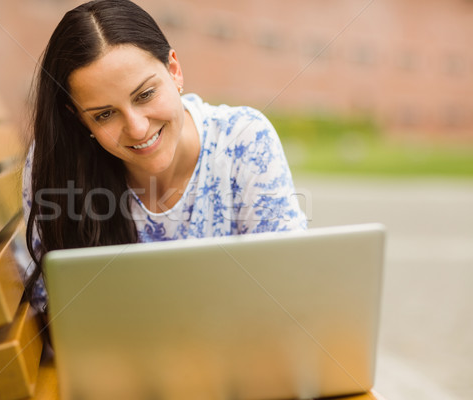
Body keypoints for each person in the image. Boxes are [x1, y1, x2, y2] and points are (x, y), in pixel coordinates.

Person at [22, 0, 307, 314]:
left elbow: (289, 288)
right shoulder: (56, 162)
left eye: (144, 94)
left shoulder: (245, 139)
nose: (138, 128)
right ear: (78, 118)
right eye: (105, 114)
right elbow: (52, 307)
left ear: (174, 70)